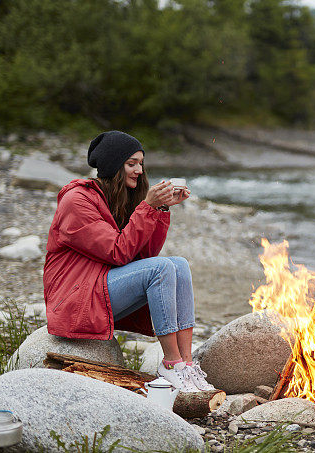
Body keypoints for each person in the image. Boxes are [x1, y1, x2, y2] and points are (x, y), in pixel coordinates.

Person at [43, 130, 214, 392]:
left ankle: (186, 366)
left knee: (178, 263)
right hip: (76, 300)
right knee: (162, 268)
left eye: (141, 164)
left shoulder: (117, 197)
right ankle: (170, 363)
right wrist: (147, 207)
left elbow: (143, 256)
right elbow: (118, 252)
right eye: (131, 164)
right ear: (113, 165)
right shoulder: (77, 201)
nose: (139, 170)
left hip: (99, 288)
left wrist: (161, 208)